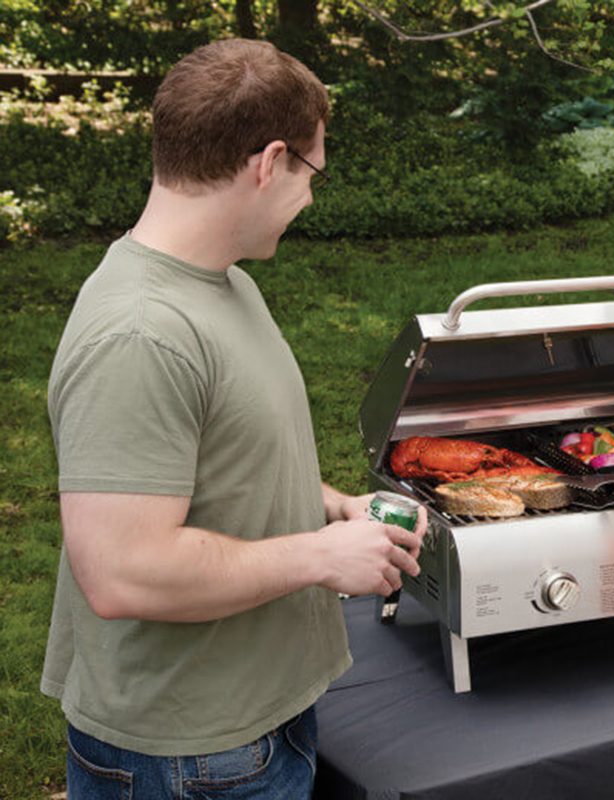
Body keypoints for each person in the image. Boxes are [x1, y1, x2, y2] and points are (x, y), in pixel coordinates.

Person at [43, 38, 423, 798]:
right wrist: (319, 557)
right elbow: (123, 574)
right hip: (187, 758)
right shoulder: (141, 333)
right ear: (269, 161)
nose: (310, 197)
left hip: (254, 719)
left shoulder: (221, 284)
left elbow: (221, 456)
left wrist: (330, 505)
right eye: (311, 172)